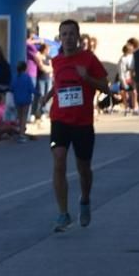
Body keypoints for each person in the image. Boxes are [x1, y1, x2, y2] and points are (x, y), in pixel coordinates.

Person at [40, 20, 109, 233]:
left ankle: (85, 200)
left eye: (71, 33)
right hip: (59, 120)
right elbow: (60, 84)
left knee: (83, 168)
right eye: (64, 34)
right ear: (59, 37)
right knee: (59, 161)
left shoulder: (89, 59)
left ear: (78, 36)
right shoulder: (57, 60)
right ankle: (63, 214)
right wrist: (48, 95)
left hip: (83, 122)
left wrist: (86, 77)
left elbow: (106, 88)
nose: (68, 37)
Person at [11, 61, 35, 143]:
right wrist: (38, 93)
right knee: (24, 116)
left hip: (17, 99)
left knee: (19, 116)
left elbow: (12, 87)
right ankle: (22, 134)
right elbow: (31, 88)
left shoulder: (15, 77)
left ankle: (20, 132)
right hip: (26, 99)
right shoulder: (27, 77)